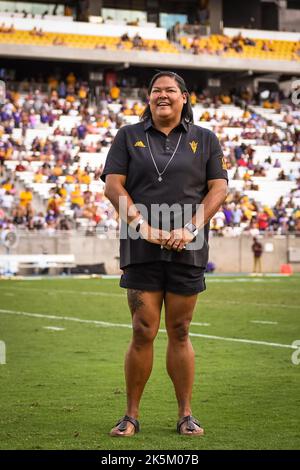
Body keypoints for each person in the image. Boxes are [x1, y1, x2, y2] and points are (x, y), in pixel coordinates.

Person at [101, 71, 228, 437]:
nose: (162, 95)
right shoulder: (128, 135)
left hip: (188, 243)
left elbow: (219, 189)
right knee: (143, 329)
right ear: (148, 97)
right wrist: (144, 227)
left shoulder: (205, 139)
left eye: (170, 90)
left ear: (184, 97)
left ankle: (186, 414)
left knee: (180, 329)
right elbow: (113, 186)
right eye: (156, 90)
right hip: (140, 241)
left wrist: (188, 228)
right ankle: (131, 415)